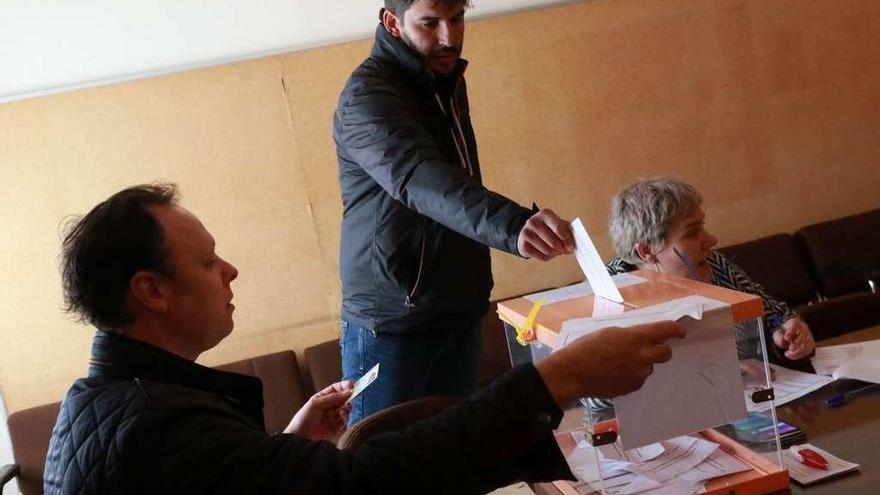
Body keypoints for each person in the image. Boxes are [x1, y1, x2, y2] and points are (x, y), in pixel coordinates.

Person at [44, 183, 685, 494]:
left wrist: (285, 450)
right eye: (209, 262)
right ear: (150, 291)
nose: (230, 271)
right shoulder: (156, 423)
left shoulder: (104, 402)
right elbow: (369, 484)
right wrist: (558, 378)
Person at [333, 0, 575, 424]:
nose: (449, 37)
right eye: (429, 23)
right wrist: (514, 224)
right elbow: (419, 178)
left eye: (458, 19)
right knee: (381, 468)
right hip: (392, 321)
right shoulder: (365, 98)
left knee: (451, 459)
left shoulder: (441, 82)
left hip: (458, 307)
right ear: (393, 23)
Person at [605, 177, 816, 363]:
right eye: (692, 232)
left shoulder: (713, 263)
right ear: (646, 251)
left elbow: (772, 312)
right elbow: (600, 397)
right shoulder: (607, 299)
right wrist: (716, 372)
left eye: (702, 226)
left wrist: (786, 332)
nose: (711, 240)